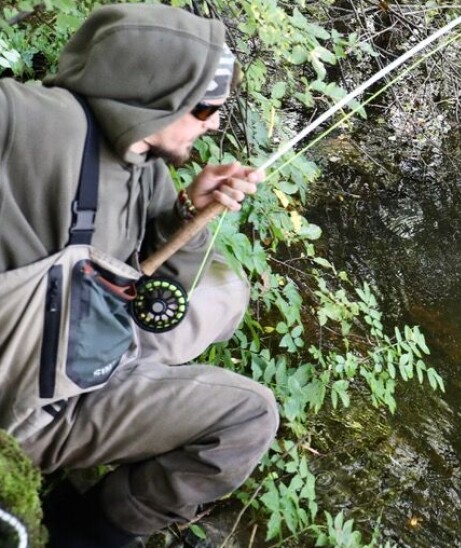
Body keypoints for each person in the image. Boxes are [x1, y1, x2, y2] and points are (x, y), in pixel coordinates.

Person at [0, 4, 279, 546]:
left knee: (229, 295)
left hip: (87, 359)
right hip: (32, 403)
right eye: (204, 110)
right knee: (250, 416)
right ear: (157, 97)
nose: (216, 123)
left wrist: (187, 218)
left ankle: (82, 514)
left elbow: (163, 294)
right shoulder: (30, 119)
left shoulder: (148, 172)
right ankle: (88, 528)